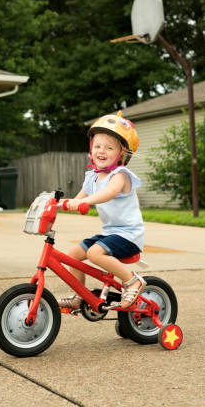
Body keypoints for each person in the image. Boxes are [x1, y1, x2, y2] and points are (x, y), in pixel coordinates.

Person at [59, 111, 146, 311]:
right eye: (97, 146)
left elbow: (109, 192)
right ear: (91, 149)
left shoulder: (120, 175)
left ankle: (132, 280)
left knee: (94, 253)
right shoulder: (92, 177)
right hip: (110, 234)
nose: (102, 151)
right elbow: (76, 200)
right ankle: (80, 296)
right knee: (73, 255)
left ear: (121, 153)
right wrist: (54, 205)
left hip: (128, 235)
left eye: (109, 147)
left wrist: (87, 201)